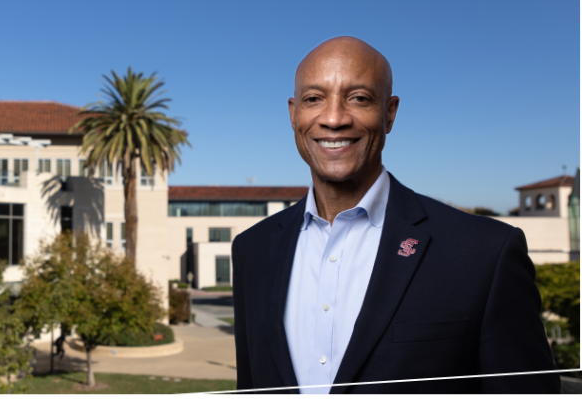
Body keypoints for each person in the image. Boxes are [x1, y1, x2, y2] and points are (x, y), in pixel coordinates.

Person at [232, 36, 560, 395]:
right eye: (314, 99)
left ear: (389, 113)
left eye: (359, 98)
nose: (334, 118)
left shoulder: (484, 252)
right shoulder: (253, 250)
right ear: (294, 114)